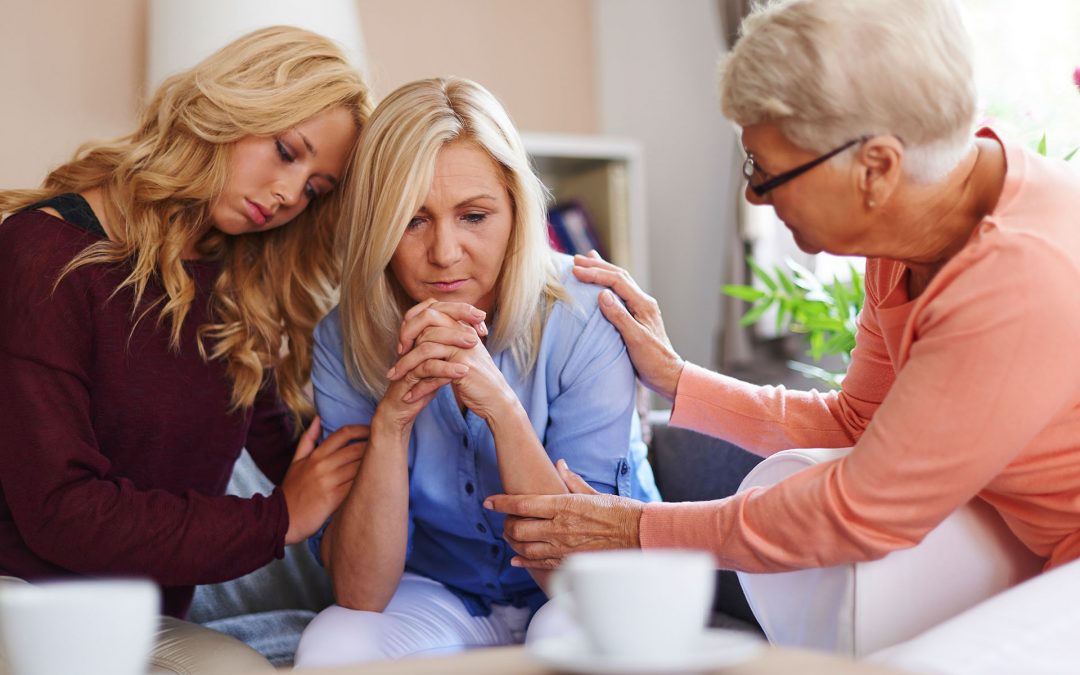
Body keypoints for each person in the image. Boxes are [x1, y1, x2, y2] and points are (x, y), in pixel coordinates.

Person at [487, 0, 1080, 581]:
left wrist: (634, 528)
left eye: (765, 170)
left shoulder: (1020, 277)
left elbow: (857, 511)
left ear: (876, 168)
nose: (754, 197)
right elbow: (856, 424)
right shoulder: (915, 224)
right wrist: (675, 377)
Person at [0, 26, 373, 674]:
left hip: (138, 613)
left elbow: (294, 456)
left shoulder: (235, 286)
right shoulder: (41, 255)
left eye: (315, 188)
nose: (289, 194)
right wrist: (278, 518)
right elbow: (61, 513)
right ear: (232, 106)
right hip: (24, 598)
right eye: (287, 151)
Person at [292, 77, 660, 667]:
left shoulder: (589, 314)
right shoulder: (344, 335)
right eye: (412, 220)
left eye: (473, 215)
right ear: (377, 226)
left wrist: (502, 408)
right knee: (335, 643)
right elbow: (360, 593)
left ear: (516, 209)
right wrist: (392, 422)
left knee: (573, 640)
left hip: (587, 588)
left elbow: (584, 580)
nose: (444, 252)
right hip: (444, 591)